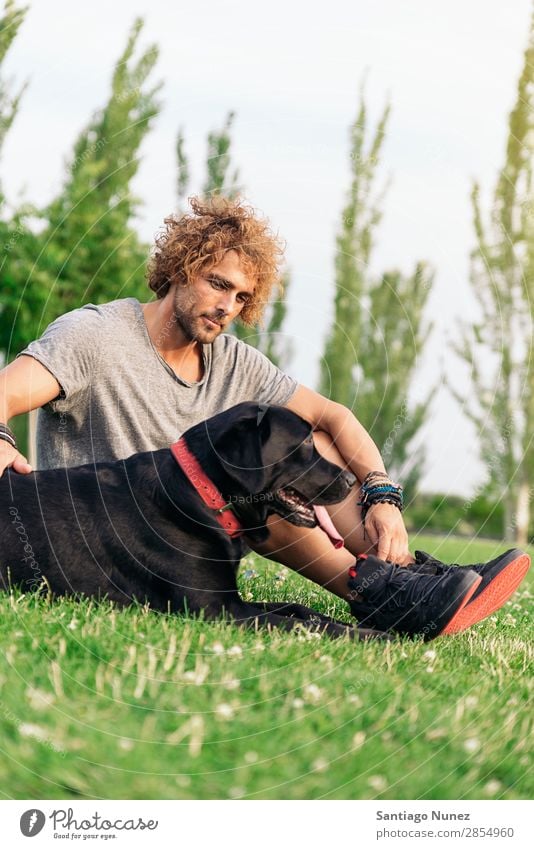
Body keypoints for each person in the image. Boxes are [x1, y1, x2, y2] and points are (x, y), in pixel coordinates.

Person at [0, 196, 528, 637]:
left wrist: (382, 493)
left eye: (242, 296)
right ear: (181, 269)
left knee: (306, 443)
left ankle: (405, 578)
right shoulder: (96, 335)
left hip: (196, 532)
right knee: (260, 484)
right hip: (113, 527)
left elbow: (333, 416)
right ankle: (382, 592)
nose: (228, 305)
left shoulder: (231, 360)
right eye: (217, 283)